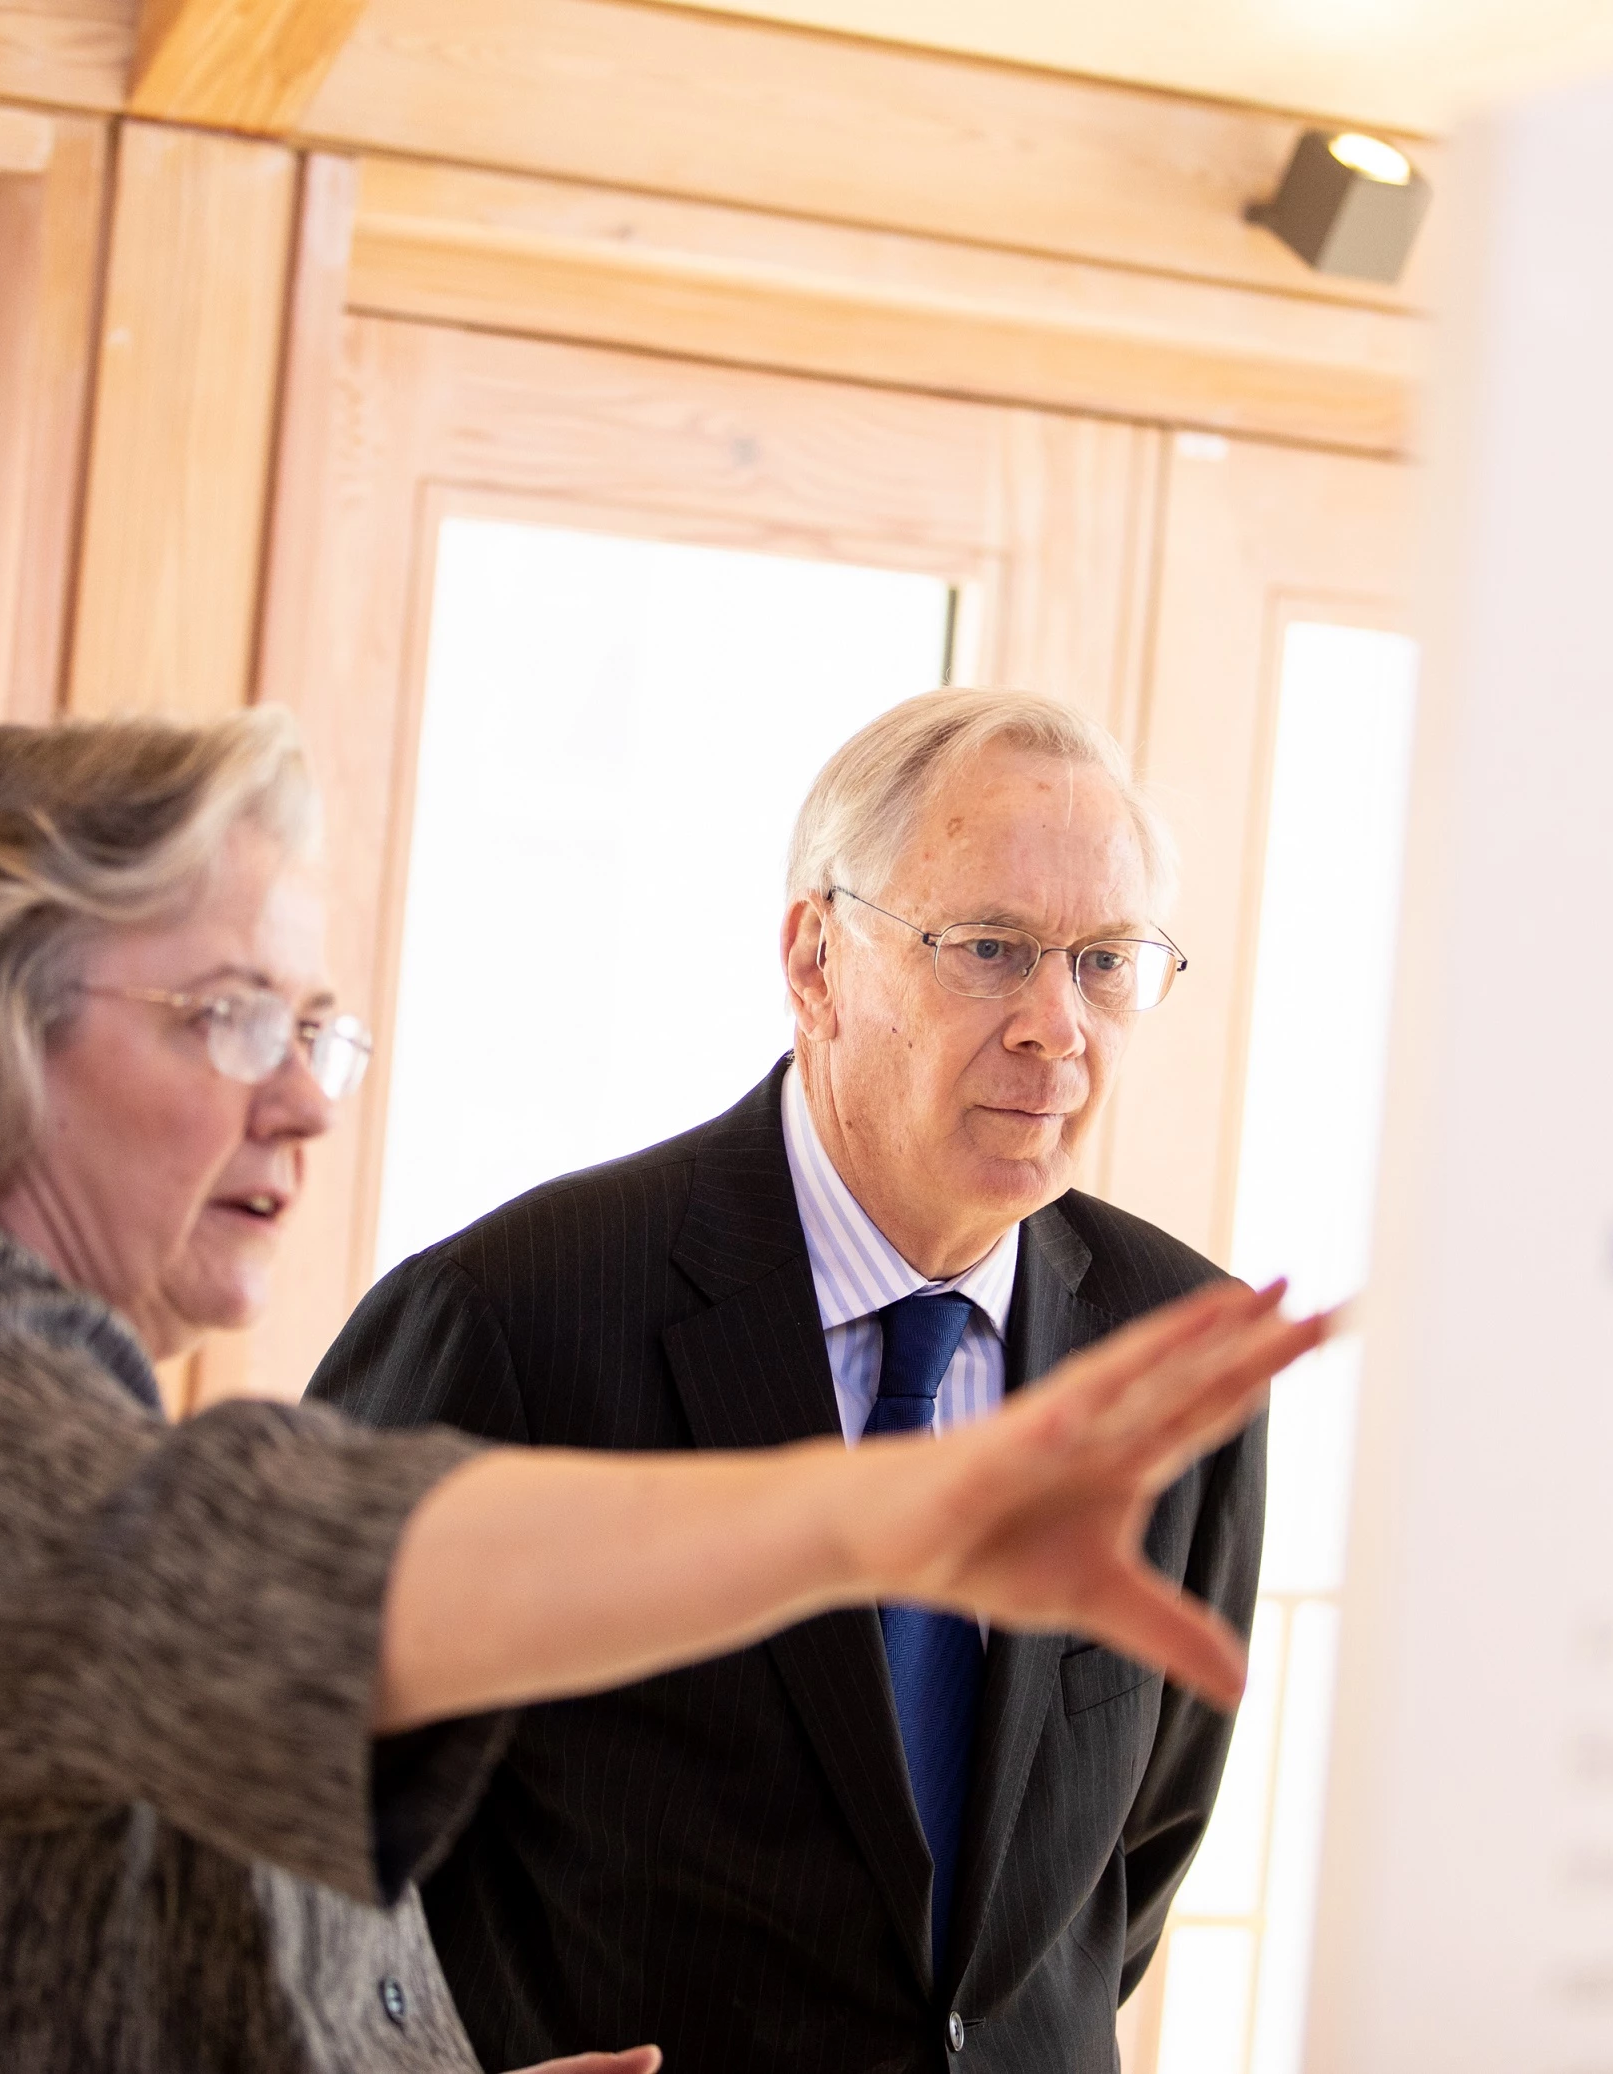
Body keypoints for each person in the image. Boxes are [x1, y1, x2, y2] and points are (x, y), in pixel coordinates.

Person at [0, 712, 1326, 2074]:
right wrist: (885, 1512)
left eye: (315, 1029)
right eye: (229, 1014)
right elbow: (288, 1583)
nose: (305, 1101)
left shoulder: (42, 1386)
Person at [309, 690, 1261, 2074]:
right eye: (988, 949)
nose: (1058, 1027)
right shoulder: (511, 1318)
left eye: (1107, 961)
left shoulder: (1182, 1349)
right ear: (816, 958)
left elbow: (1125, 1877)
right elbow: (267, 1836)